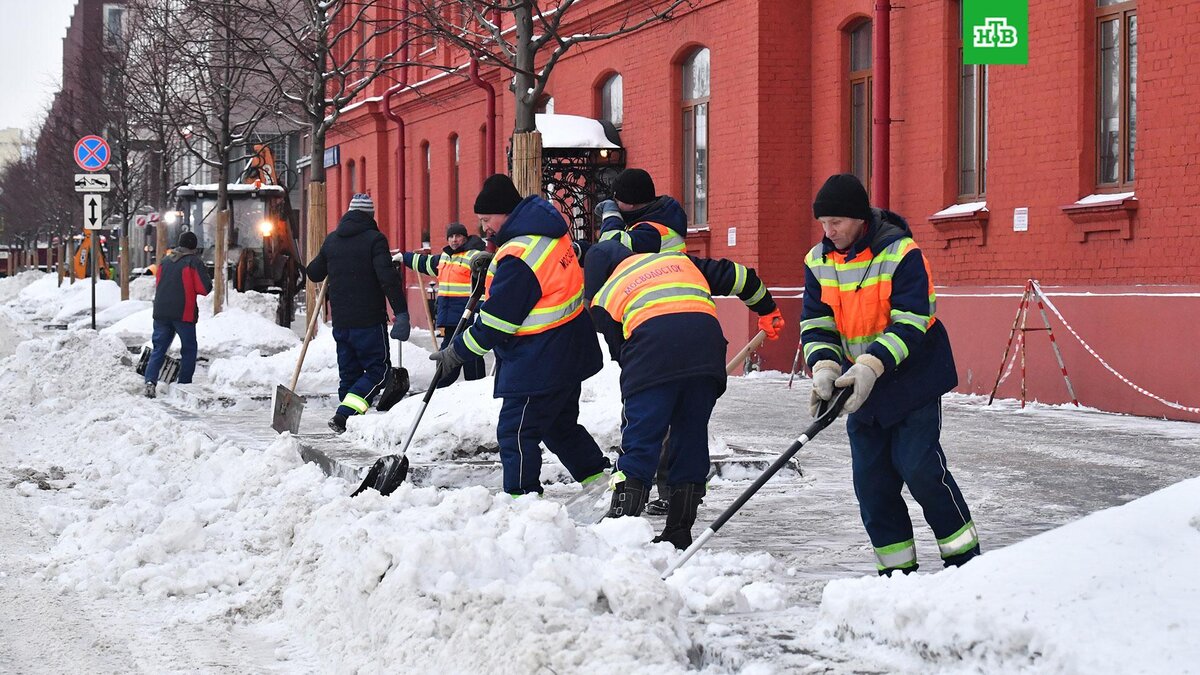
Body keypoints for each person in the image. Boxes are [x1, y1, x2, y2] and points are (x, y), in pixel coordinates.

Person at [801, 173, 979, 575]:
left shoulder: (901, 254)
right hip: (860, 389)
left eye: (838, 223)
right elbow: (817, 324)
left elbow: (912, 322)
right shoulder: (818, 261)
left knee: (920, 470)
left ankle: (966, 565)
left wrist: (870, 365)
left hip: (912, 379)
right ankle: (896, 576)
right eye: (824, 223)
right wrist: (826, 367)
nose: (830, 232)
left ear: (860, 219)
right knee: (872, 484)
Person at [583, 240, 784, 548]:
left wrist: (647, 397)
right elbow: (741, 277)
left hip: (652, 358)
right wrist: (767, 309)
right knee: (690, 438)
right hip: (707, 356)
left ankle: (619, 535)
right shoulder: (680, 263)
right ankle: (679, 532)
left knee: (641, 441)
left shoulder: (606, 294)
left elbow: (622, 353)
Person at [429, 174, 610, 496]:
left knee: (516, 432)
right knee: (558, 425)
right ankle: (598, 479)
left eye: (487, 219)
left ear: (505, 214)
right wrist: (495, 261)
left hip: (539, 357)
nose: (484, 227)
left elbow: (498, 321)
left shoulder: (519, 256)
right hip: (569, 348)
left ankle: (521, 500)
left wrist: (457, 353)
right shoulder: (549, 233)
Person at [594, 167, 691, 515]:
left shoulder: (652, 231)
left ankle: (645, 491)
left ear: (626, 202)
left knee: (645, 417)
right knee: (665, 418)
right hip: (667, 323)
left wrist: (609, 217)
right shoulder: (658, 221)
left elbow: (611, 249)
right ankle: (667, 490)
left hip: (654, 324)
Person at [306, 193, 410, 434]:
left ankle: (348, 423)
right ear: (370, 216)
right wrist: (401, 312)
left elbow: (313, 272)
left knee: (349, 373)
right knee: (379, 371)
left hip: (341, 321)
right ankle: (345, 415)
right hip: (368, 320)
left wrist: (333, 259)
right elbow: (388, 279)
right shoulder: (375, 240)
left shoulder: (332, 240)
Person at [394, 222, 488, 387]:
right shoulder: (445, 257)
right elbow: (424, 262)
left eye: (458, 236)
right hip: (450, 318)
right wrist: (404, 257)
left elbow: (484, 284)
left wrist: (479, 310)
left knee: (471, 356)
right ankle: (440, 390)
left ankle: (475, 390)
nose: (454, 240)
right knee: (447, 357)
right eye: (451, 237)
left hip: (468, 317)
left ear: (465, 238)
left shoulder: (474, 256)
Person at [144, 231, 213, 398]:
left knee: (159, 348)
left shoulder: (164, 261)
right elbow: (204, 289)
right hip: (183, 312)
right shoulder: (193, 262)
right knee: (189, 349)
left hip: (161, 311)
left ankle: (150, 381)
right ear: (194, 247)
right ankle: (184, 384)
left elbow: (159, 282)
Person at [595, 168, 687, 253]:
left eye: (617, 201)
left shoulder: (652, 231)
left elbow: (609, 248)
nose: (615, 205)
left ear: (629, 202)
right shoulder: (658, 219)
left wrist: (611, 214)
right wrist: (581, 250)